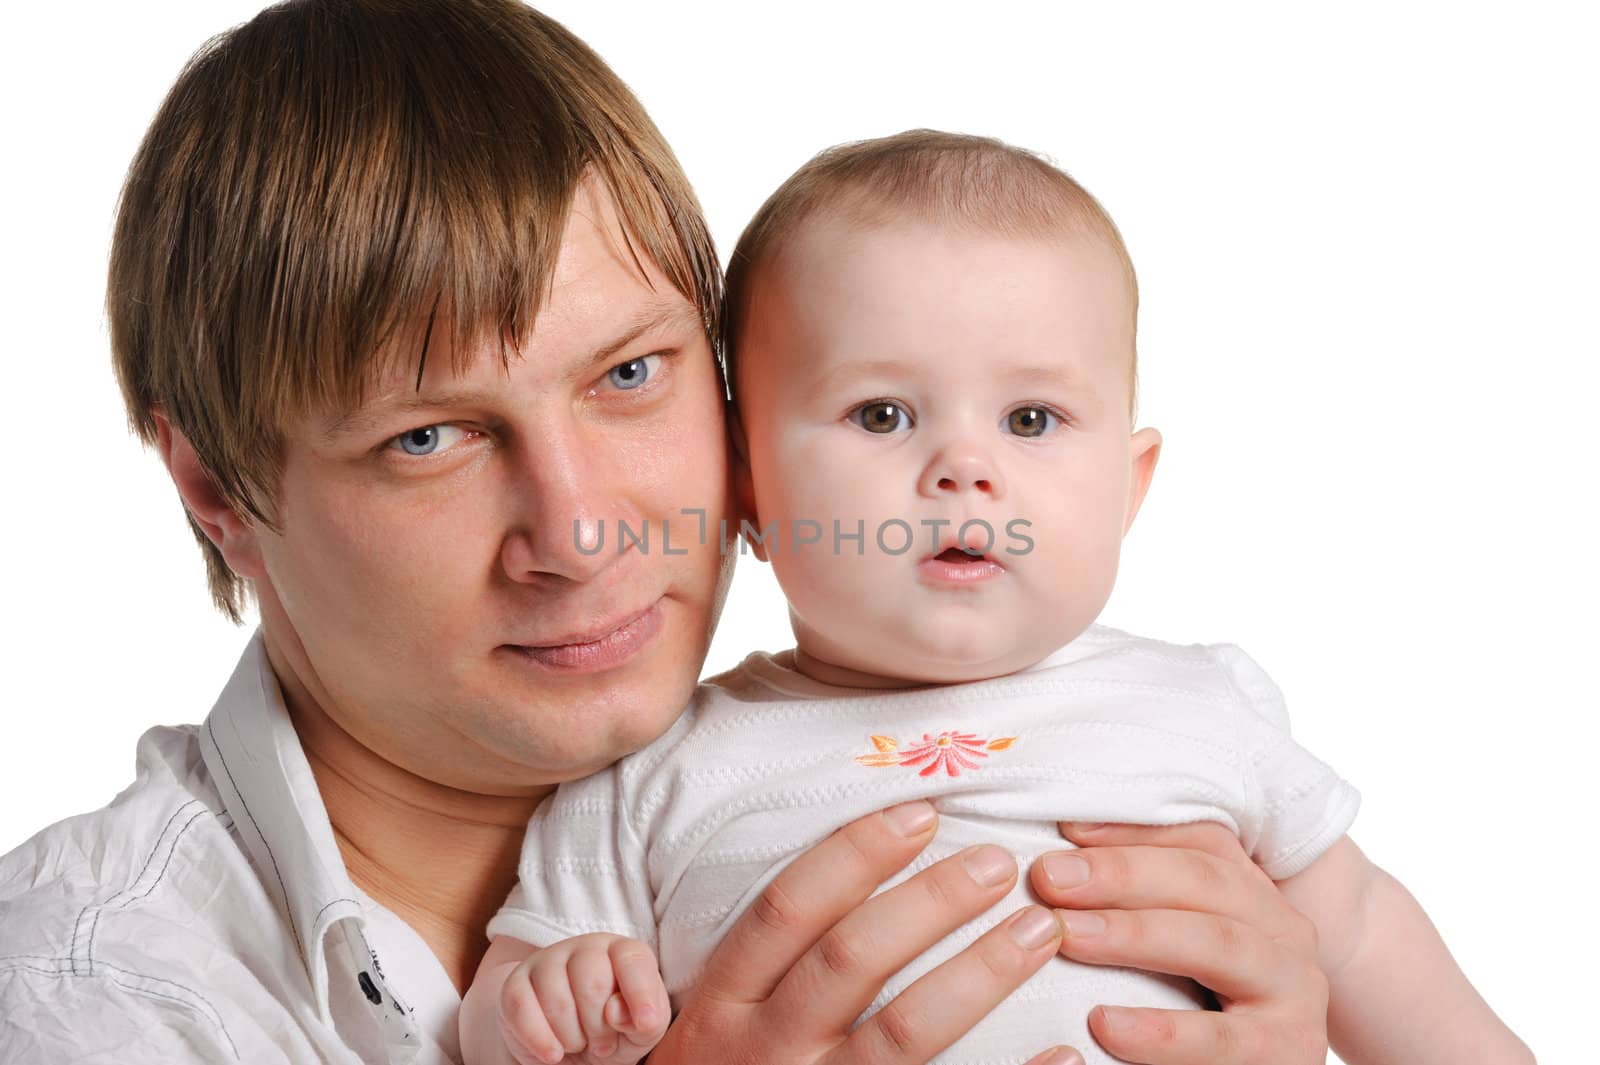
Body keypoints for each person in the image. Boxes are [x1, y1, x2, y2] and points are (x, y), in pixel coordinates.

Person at [0, 3, 1331, 1063]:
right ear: (216, 488)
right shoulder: (89, 1003)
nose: (579, 534)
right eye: (428, 438)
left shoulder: (987, 766)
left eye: (629, 374)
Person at [463, 131, 1533, 1065]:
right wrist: (542, 1004)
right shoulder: (651, 774)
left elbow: (1355, 933)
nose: (963, 469)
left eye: (1031, 420)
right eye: (881, 414)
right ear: (745, 488)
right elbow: (504, 1000)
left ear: (1130, 486)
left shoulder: (1200, 706)